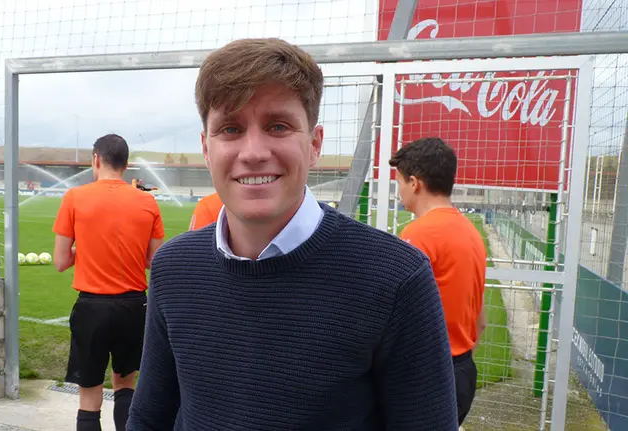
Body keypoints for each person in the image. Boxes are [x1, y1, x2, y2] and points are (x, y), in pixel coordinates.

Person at [128, 38, 459, 430]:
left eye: (278, 126)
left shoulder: (396, 279)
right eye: (230, 128)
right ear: (206, 147)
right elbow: (150, 418)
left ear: (314, 144)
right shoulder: (173, 268)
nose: (252, 152)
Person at [52, 134, 165, 431]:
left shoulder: (75, 197)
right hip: (134, 306)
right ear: (126, 165)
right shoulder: (147, 201)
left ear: (96, 159)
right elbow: (154, 260)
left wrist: (85, 250)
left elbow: (61, 261)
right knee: (126, 385)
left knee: (89, 395)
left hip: (92, 308)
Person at [390, 136, 488, 426]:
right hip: (462, 371)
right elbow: (479, 320)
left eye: (399, 184)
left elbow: (394, 319)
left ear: (415, 183)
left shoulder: (418, 236)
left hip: (427, 374)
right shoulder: (472, 233)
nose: (399, 193)